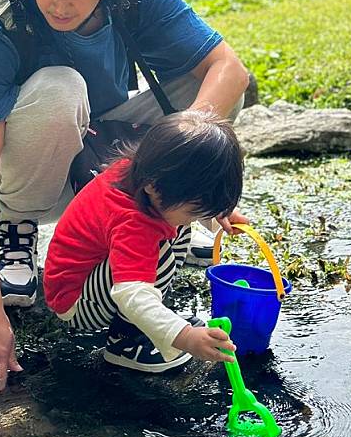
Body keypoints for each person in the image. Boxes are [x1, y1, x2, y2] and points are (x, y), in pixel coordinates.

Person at [0, 0, 250, 393]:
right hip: (31, 168)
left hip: (113, 160)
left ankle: (170, 201)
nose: (61, 1)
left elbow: (229, 69)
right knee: (60, 86)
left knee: (210, 100)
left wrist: (189, 169)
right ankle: (17, 231)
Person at [43, 111, 242, 372]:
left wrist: (214, 211)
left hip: (95, 276)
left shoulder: (142, 174)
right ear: (153, 186)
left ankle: (149, 322)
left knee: (175, 229)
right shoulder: (134, 223)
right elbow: (132, 294)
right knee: (158, 250)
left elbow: (183, 199)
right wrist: (184, 337)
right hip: (77, 302)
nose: (198, 218)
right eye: (196, 211)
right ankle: (126, 342)